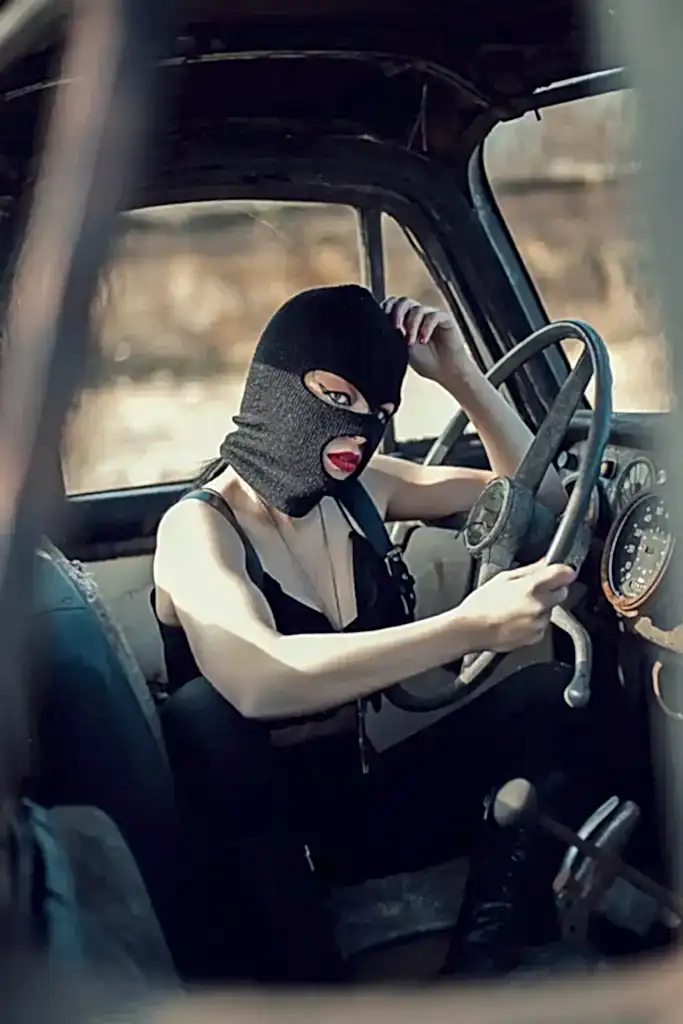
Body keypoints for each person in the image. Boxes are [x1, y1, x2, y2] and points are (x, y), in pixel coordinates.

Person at [152, 285, 595, 984]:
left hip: (350, 815)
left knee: (548, 700)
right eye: (337, 397)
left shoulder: (363, 492)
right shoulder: (196, 527)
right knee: (201, 712)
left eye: (379, 413)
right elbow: (260, 679)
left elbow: (537, 501)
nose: (358, 430)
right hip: (247, 849)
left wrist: (461, 376)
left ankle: (480, 970)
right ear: (274, 387)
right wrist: (465, 628)